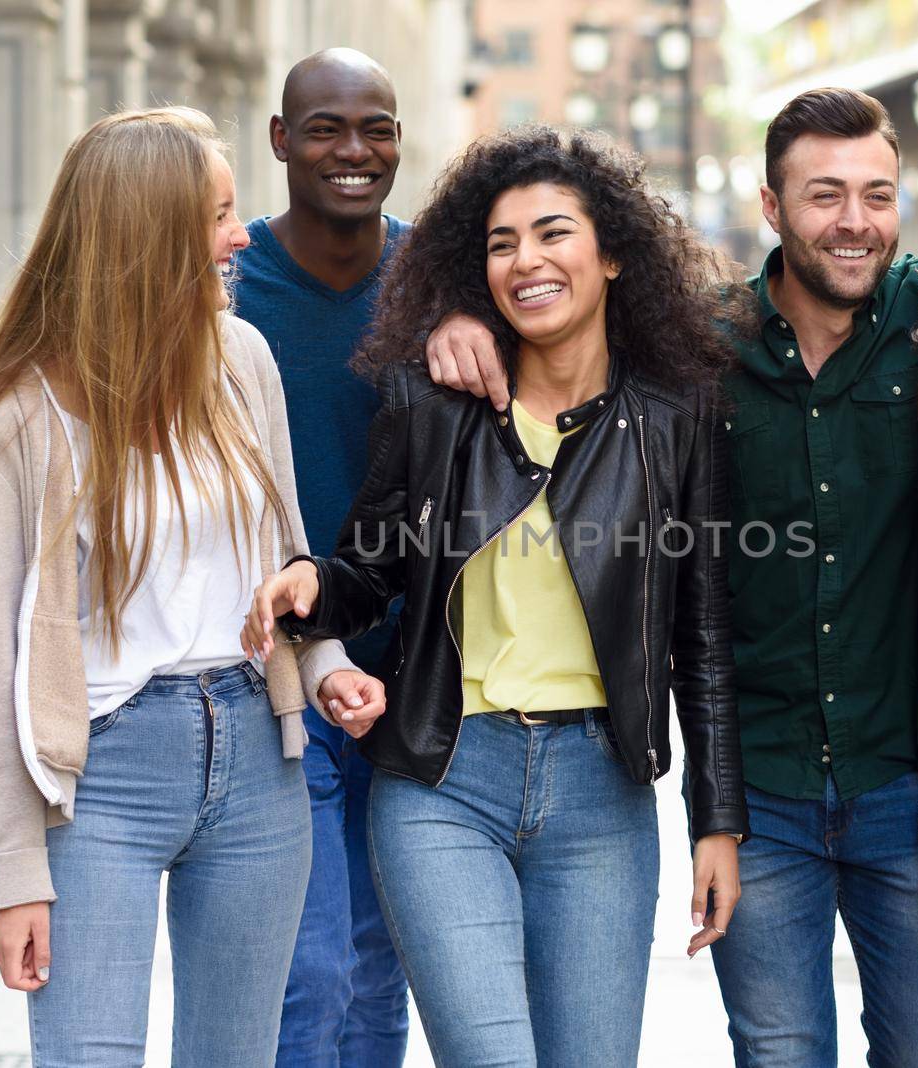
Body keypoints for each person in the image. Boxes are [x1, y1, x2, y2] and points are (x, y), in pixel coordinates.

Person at [424, 89, 918, 1066]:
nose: (855, 221)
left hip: (907, 789)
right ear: (771, 207)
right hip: (763, 799)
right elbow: (554, 300)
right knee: (779, 1052)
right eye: (824, 195)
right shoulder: (698, 347)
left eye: (876, 194)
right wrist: (461, 319)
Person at [241, 125, 750, 1068]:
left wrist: (716, 821)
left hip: (602, 792)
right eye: (501, 243)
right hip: (442, 781)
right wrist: (314, 592)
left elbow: (702, 634)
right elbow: (371, 572)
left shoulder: (674, 419)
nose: (527, 261)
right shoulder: (435, 402)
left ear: (613, 258)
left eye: (554, 234)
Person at [0, 106, 381, 1066]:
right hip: (101, 777)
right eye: (219, 214)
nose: (240, 235)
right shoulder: (17, 421)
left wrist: (328, 667)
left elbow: (289, 561)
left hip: (259, 761)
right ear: (144, 232)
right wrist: (14, 872)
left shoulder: (243, 363)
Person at [229, 48, 411, 1067]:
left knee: (378, 972)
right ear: (280, 140)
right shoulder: (226, 285)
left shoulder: (439, 280)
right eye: (326, 128)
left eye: (376, 128)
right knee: (309, 976)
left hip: (406, 679)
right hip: (271, 681)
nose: (354, 150)